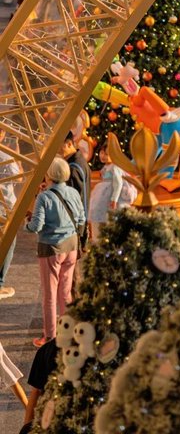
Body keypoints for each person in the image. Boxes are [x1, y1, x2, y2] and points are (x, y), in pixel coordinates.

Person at [25, 156, 85, 346]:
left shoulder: (44, 197)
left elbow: (36, 226)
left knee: (49, 296)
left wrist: (27, 223)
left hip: (51, 248)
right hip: (72, 246)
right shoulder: (73, 192)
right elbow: (82, 218)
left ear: (49, 174)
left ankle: (49, 337)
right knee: (66, 293)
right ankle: (68, 332)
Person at [88, 143, 135, 240]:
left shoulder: (115, 167)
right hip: (104, 193)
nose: (103, 156)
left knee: (109, 217)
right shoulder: (107, 167)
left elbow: (118, 184)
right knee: (100, 214)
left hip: (110, 194)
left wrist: (114, 199)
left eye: (107, 154)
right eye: (101, 153)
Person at [20, 337, 57, 432]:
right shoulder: (48, 351)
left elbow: (36, 392)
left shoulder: (48, 350)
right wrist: (27, 427)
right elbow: (36, 392)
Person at [61, 135, 90, 247]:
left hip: (72, 225)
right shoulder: (80, 161)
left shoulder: (73, 167)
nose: (57, 150)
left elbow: (74, 199)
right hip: (79, 223)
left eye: (59, 145)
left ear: (69, 144)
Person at [0, 129, 18, 300]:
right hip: (4, 208)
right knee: (8, 244)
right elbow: (18, 177)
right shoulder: (6, 156)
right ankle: (0, 283)